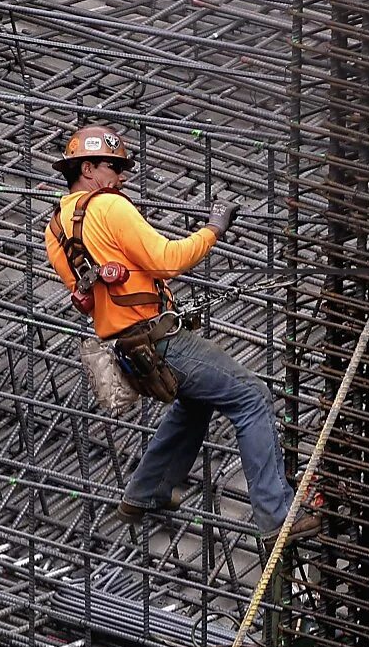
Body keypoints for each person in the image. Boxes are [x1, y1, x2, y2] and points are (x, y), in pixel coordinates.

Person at [44, 122, 318, 540]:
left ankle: (147, 489)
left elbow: (87, 295)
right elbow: (166, 260)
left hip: (126, 350)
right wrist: (214, 230)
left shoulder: (55, 230)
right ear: (89, 168)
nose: (120, 178)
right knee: (251, 396)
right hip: (159, 340)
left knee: (196, 401)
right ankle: (276, 515)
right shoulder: (109, 207)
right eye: (113, 168)